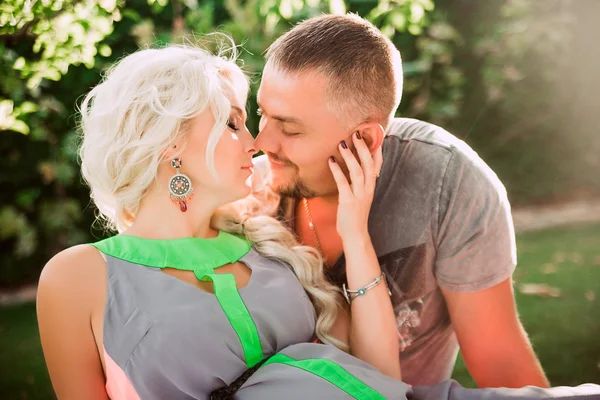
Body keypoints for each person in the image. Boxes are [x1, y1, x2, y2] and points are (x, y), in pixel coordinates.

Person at [35, 33, 600, 400]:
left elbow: (383, 373)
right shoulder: (79, 276)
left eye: (285, 126)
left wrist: (356, 232)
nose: (257, 139)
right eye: (240, 120)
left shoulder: (263, 244)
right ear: (169, 146)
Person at [251, 13, 548, 388]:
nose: (261, 144)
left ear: (366, 141)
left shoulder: (447, 183)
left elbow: (501, 363)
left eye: (290, 128)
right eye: (262, 114)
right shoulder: (247, 192)